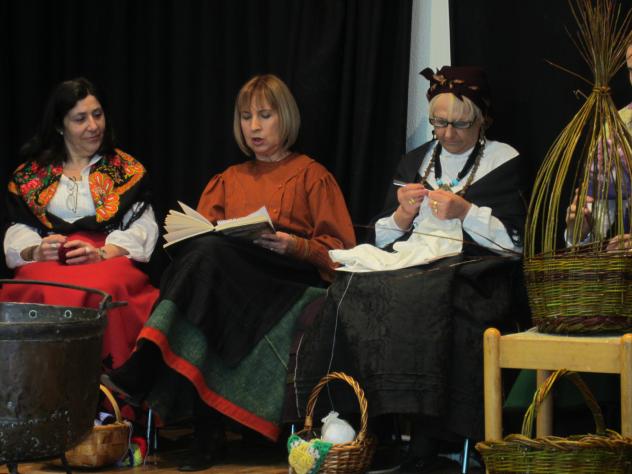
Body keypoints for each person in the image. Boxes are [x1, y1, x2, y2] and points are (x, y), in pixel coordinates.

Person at [103, 74, 356, 471]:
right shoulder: (228, 180)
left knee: (210, 263)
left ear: (286, 118)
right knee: (205, 260)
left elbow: (341, 255)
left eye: (265, 116)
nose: (254, 126)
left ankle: (151, 371)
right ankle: (206, 431)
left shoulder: (312, 176)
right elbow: (199, 243)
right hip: (228, 277)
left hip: (286, 277)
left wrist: (295, 244)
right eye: (245, 117)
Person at [293, 66, 528, 473]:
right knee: (353, 290)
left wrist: (466, 212)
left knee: (427, 296)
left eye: (460, 124)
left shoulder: (504, 161)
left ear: (482, 120)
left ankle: (431, 436)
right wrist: (403, 214)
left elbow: (517, 243)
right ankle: (362, 424)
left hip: (477, 275)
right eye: (439, 123)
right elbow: (383, 236)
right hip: (416, 264)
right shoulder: (416, 160)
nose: (448, 134)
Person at [1, 78, 159, 376]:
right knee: (39, 287)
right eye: (80, 119)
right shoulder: (31, 174)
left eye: (97, 115)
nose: (93, 126)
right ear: (60, 126)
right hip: (48, 259)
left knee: (106, 289)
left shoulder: (126, 169)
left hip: (108, 257)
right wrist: (35, 250)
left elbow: (144, 226)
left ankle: (109, 392)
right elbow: (18, 227)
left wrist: (103, 253)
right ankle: (37, 389)